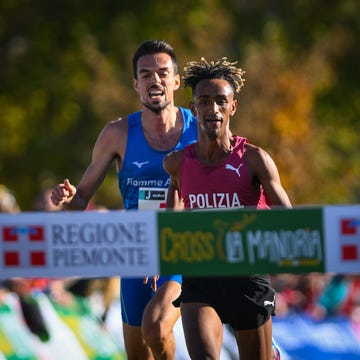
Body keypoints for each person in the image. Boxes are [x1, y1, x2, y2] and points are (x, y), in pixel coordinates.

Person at [50, 40, 198, 359]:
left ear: (175, 81)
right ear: (136, 85)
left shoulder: (199, 130)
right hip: (136, 252)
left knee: (157, 328)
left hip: (185, 247)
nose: (154, 80)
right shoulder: (116, 134)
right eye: (145, 74)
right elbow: (82, 198)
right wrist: (70, 196)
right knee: (140, 352)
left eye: (162, 72)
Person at [163, 57, 292, 360]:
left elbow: (290, 217)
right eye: (204, 102)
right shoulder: (177, 164)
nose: (213, 109)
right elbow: (170, 223)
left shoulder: (254, 159)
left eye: (221, 101)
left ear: (233, 106)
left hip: (247, 275)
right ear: (194, 108)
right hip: (201, 275)